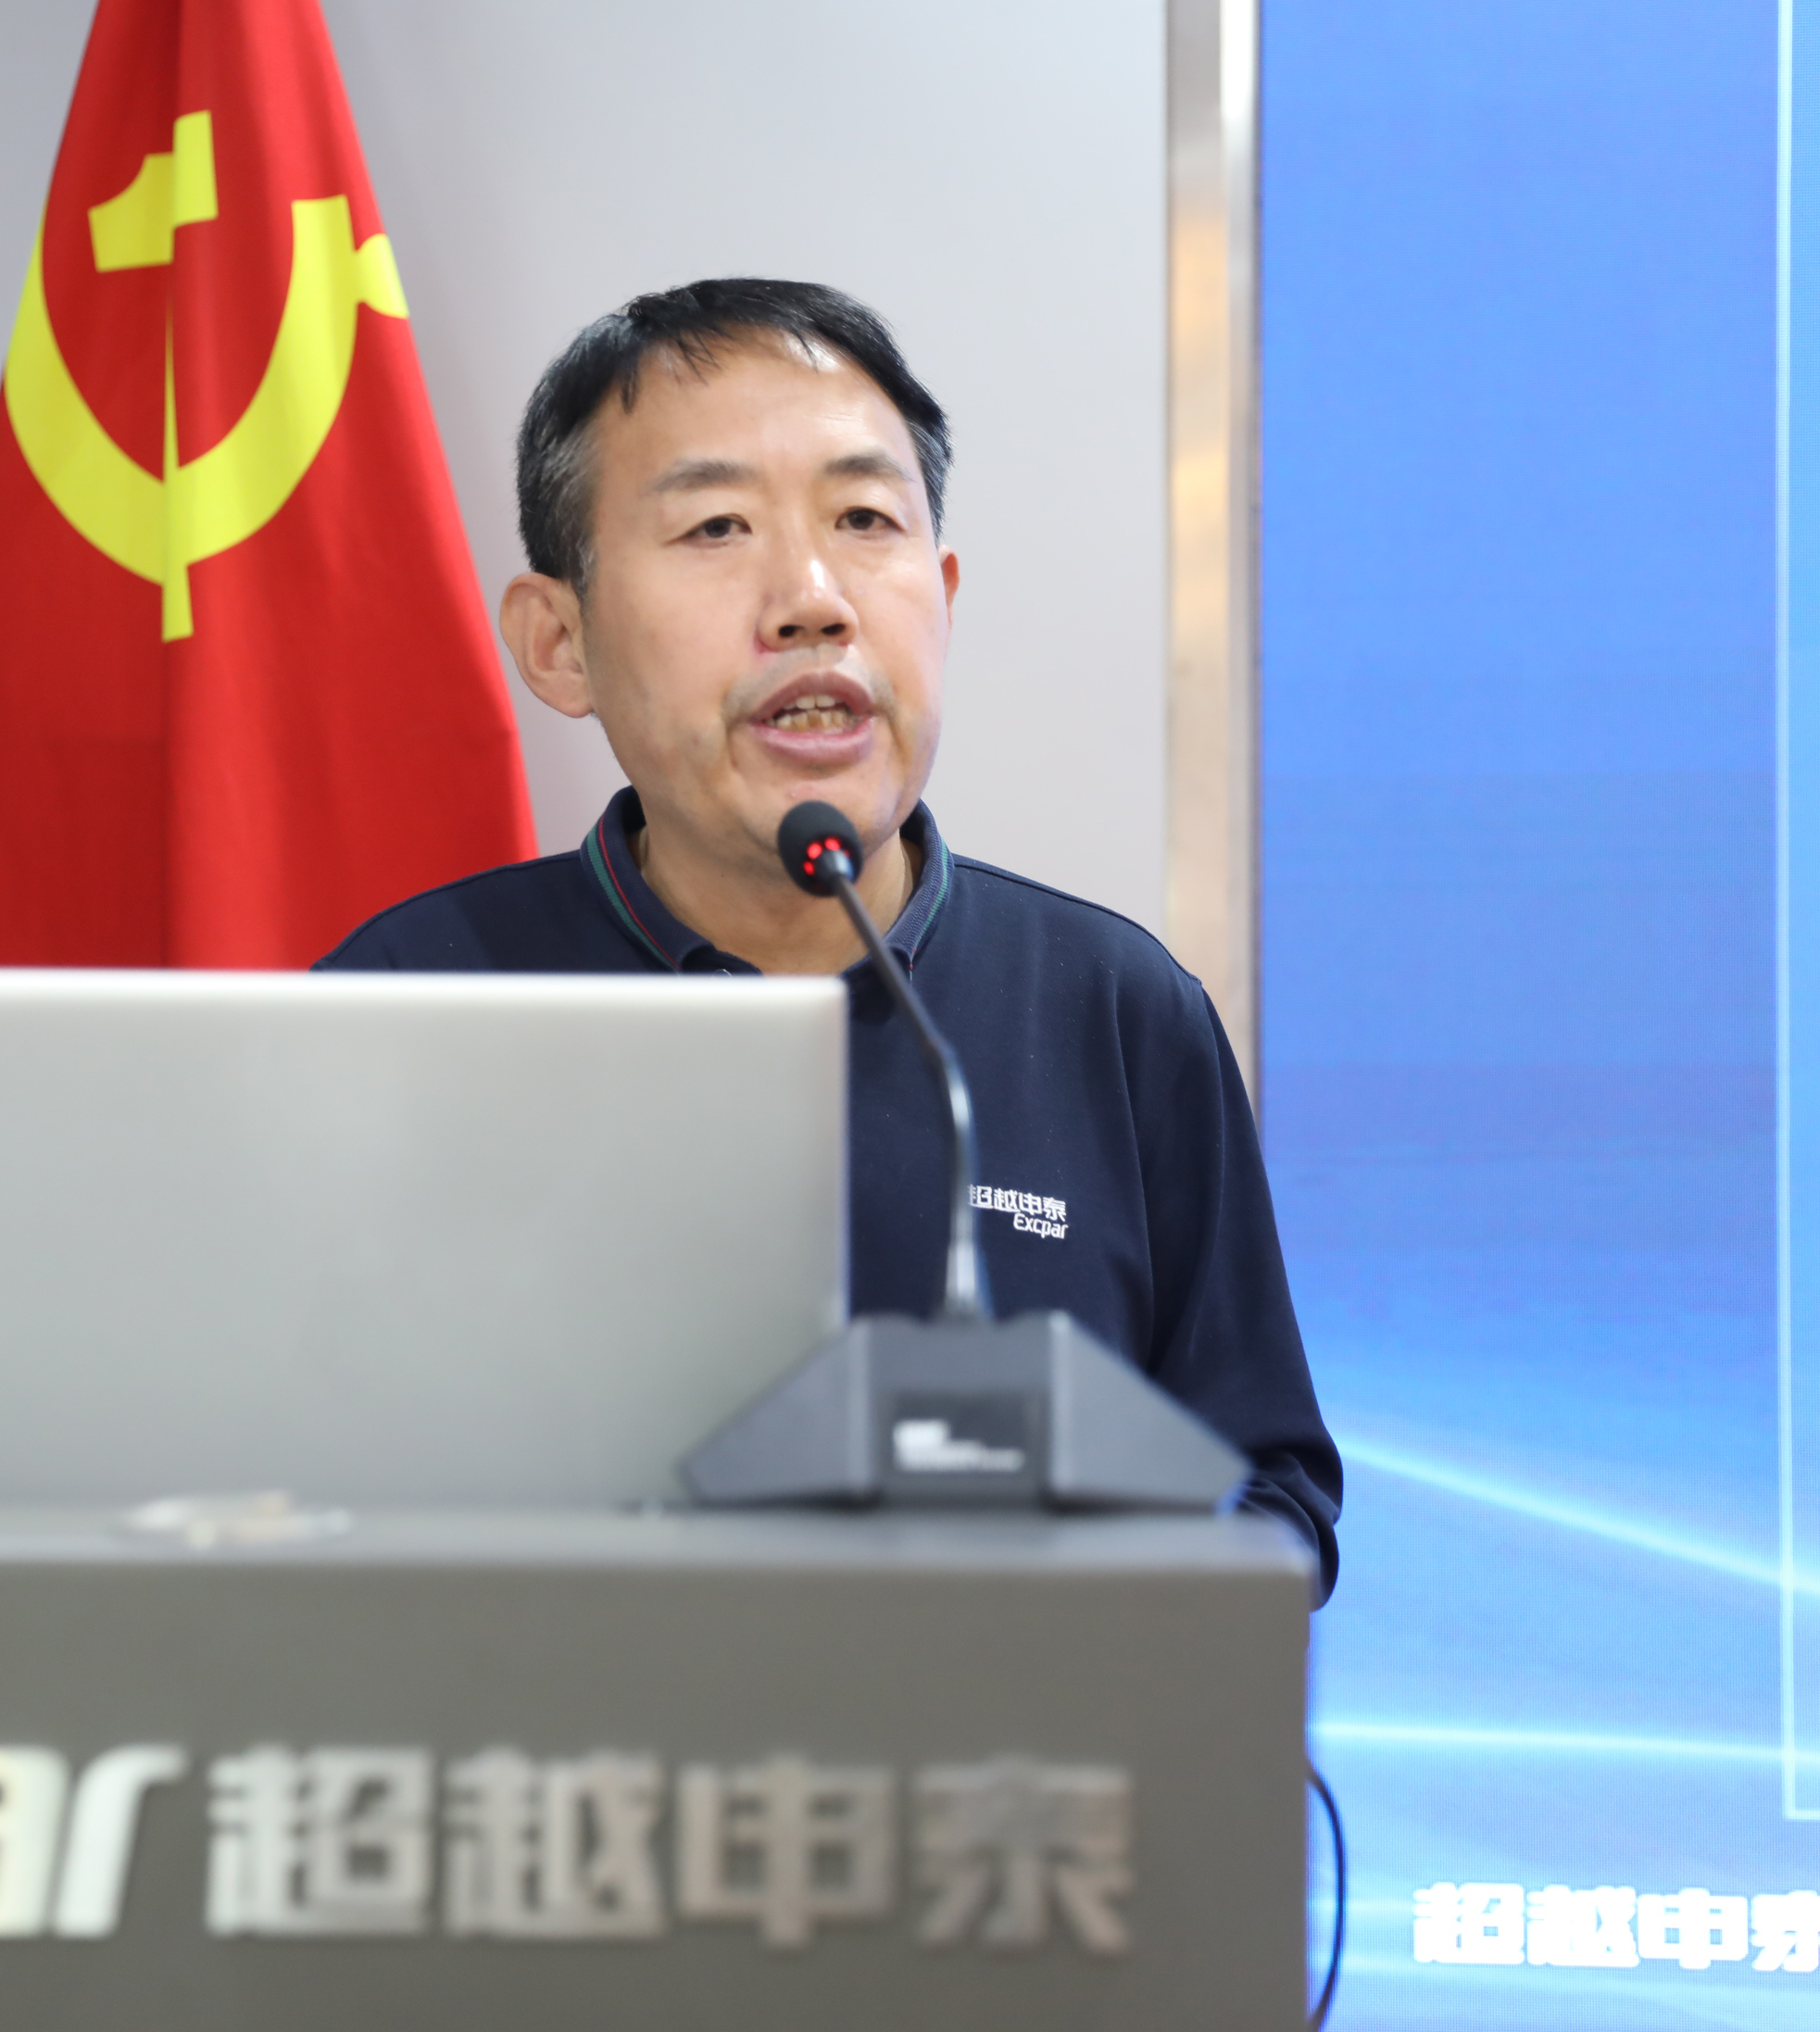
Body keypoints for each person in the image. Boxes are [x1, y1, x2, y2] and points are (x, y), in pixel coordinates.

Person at [320, 279, 1340, 1599]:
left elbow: (1269, 1488)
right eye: (716, 526)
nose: (812, 599)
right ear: (560, 643)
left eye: (865, 520)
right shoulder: (405, 1008)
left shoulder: (1113, 1008)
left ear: (942, 597)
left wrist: (1086, 1605)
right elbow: (286, 1488)